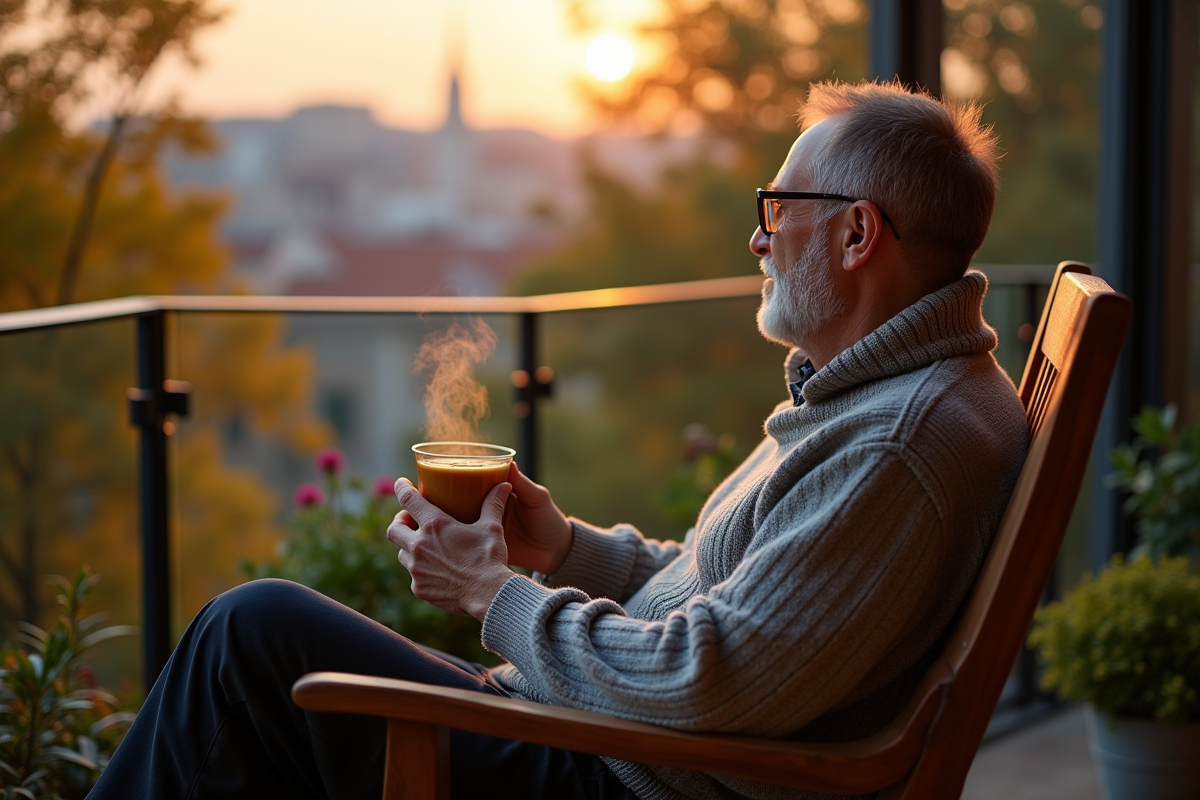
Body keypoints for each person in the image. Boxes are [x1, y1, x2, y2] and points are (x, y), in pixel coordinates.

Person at [89, 80, 1027, 800]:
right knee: (260, 657)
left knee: (250, 635)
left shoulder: (896, 444)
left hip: (624, 777)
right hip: (607, 741)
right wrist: (570, 550)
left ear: (859, 234)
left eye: (778, 211)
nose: (758, 240)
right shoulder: (884, 399)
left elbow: (709, 679)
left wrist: (493, 591)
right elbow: (745, 600)